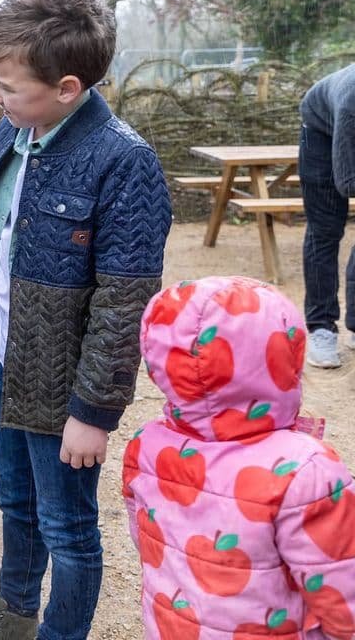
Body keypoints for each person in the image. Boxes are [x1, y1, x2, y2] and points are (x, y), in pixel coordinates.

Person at [0, 0, 173, 640]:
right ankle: (14, 613)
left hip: (66, 391)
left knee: (68, 527)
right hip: (9, 359)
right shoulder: (16, 131)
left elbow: (124, 303)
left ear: (68, 90)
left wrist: (94, 411)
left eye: (6, 86)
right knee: (16, 501)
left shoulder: (123, 162)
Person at [124, 275, 355, 639]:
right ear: (283, 358)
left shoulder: (147, 446)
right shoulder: (306, 471)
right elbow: (344, 598)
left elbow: (152, 544)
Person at [298, 62, 355, 368]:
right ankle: (321, 328)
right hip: (320, 132)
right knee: (325, 230)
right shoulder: (351, 102)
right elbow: (347, 183)